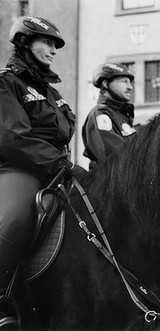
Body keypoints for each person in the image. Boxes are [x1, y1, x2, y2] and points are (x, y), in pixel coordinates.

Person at [0, 16, 74, 327]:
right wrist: (57, 163)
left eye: (55, 45)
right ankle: (2, 299)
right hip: (19, 167)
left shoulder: (52, 93)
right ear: (25, 43)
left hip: (58, 168)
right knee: (14, 220)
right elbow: (12, 136)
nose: (53, 50)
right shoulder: (6, 83)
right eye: (46, 43)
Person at [82, 63, 135, 170]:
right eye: (124, 81)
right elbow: (114, 156)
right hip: (109, 183)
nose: (130, 87)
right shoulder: (100, 114)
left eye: (130, 82)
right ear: (106, 84)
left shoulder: (120, 115)